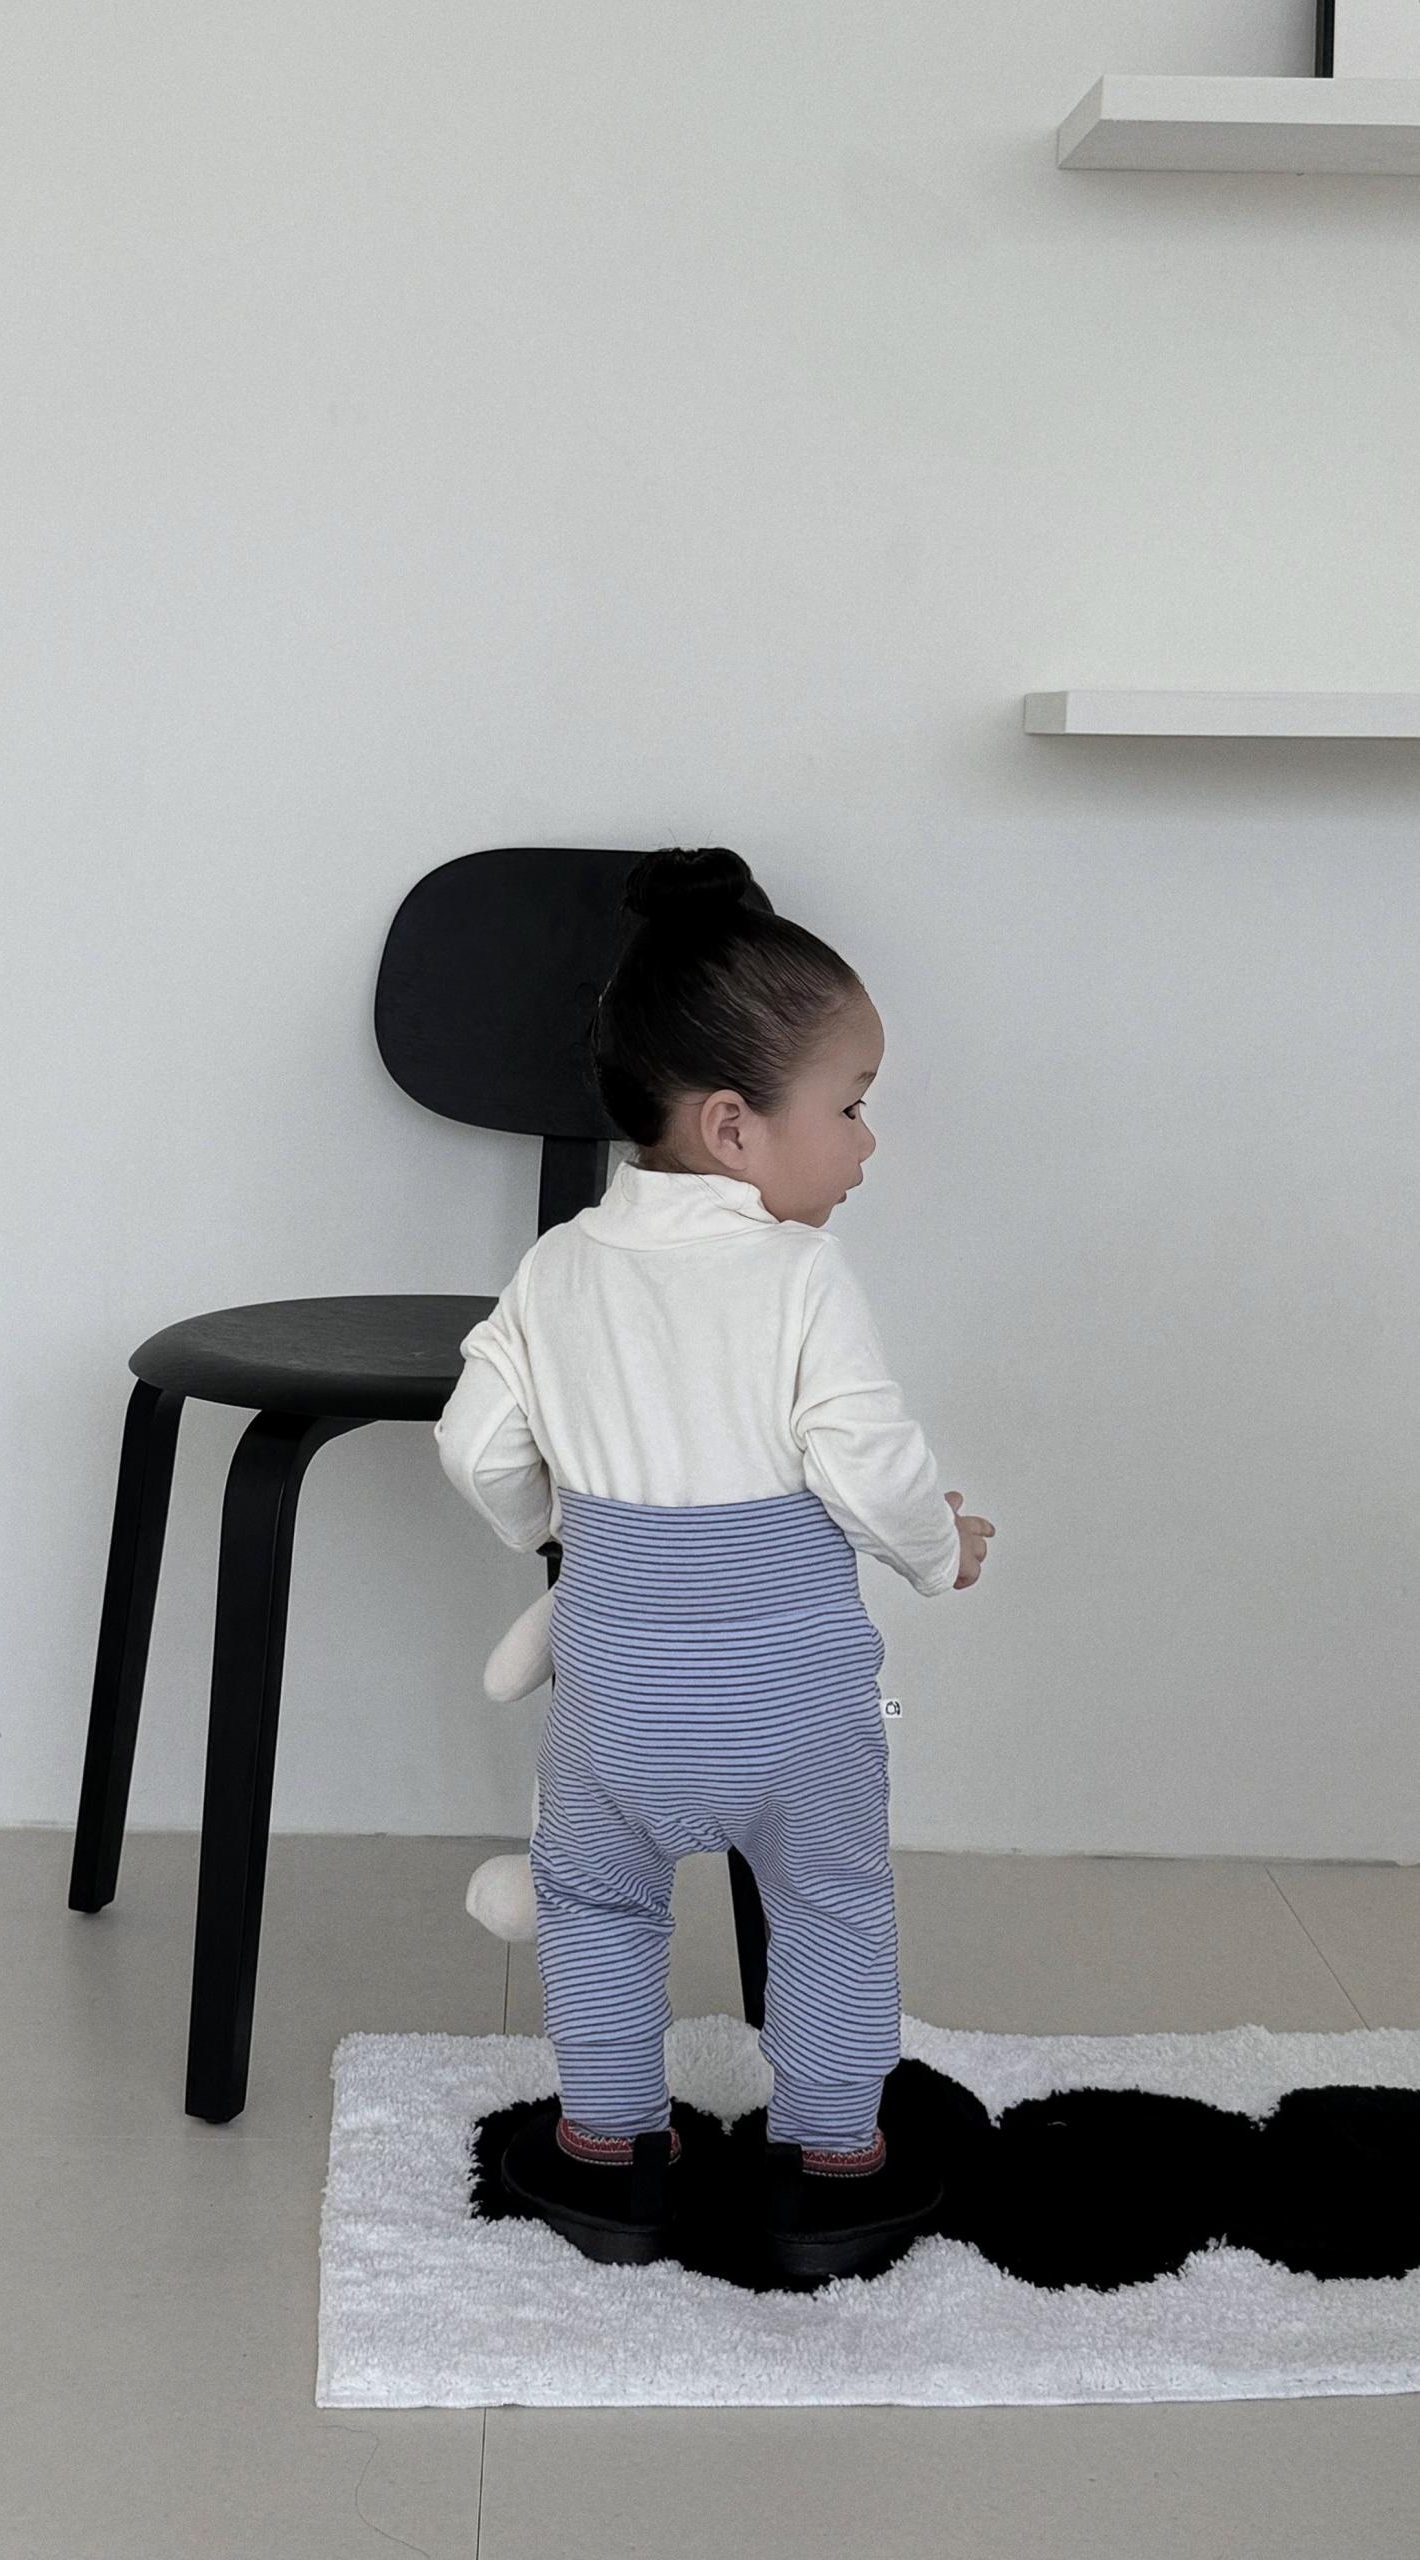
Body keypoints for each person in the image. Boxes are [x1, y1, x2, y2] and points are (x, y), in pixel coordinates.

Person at [433, 846, 995, 2279]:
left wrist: (557, 1530)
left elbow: (475, 1443)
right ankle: (832, 2164)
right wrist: (940, 1551)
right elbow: (866, 1458)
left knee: (598, 1906)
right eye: (851, 1106)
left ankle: (612, 2157)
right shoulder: (801, 1276)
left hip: (618, 1698)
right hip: (793, 1707)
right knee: (831, 1910)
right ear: (735, 1128)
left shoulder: (559, 1268)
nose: (868, 1144)